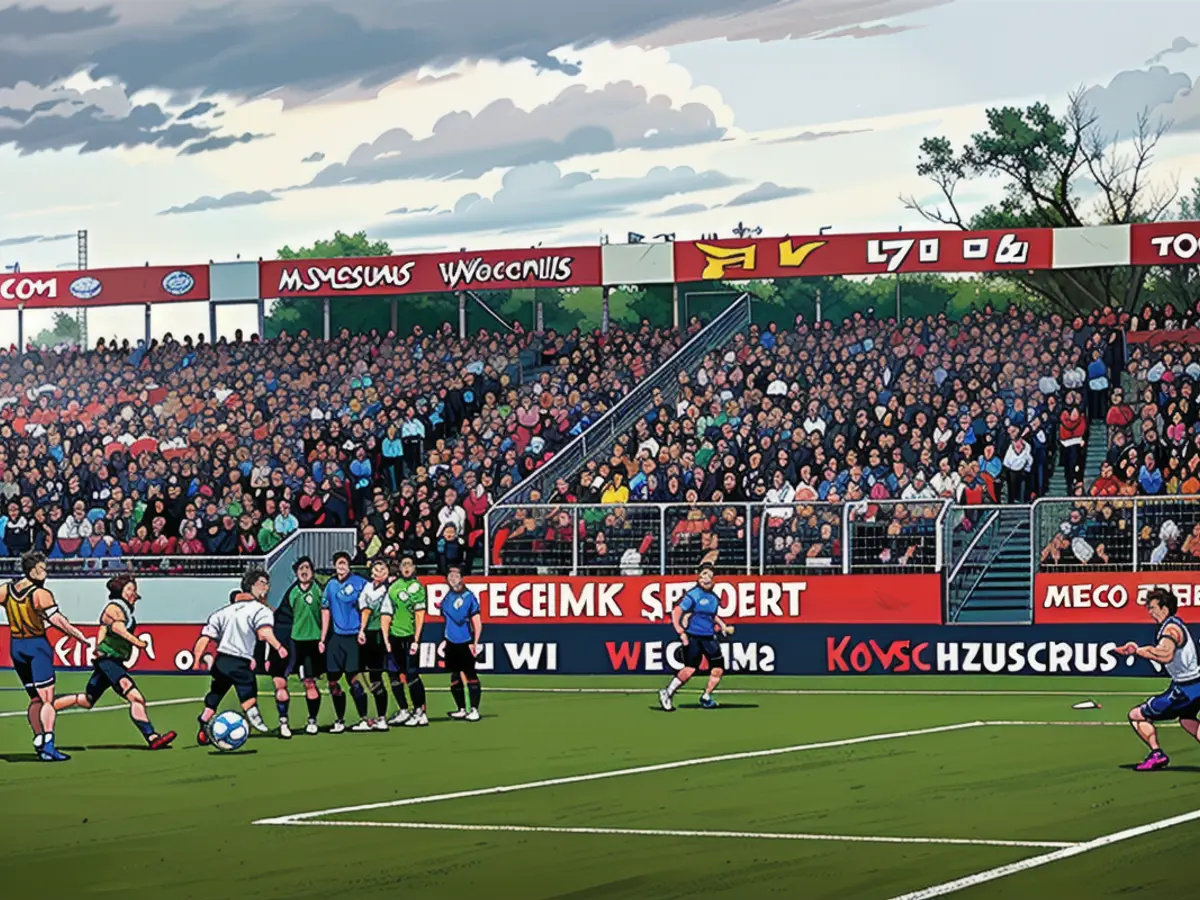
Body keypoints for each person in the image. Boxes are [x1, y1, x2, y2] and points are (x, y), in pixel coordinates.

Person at [52, 574, 176, 750]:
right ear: (121, 591)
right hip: (109, 661)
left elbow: (103, 627)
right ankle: (152, 736)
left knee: (88, 700)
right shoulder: (115, 608)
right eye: (130, 589)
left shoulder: (124, 609)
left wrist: (98, 646)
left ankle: (50, 706)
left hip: (110, 661)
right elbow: (117, 628)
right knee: (135, 697)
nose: (134, 593)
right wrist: (137, 642)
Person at [1, 551, 88, 761]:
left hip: (16, 645)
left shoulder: (6, 590)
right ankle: (48, 743)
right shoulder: (41, 594)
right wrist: (78, 635)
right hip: (36, 645)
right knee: (47, 699)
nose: (46, 573)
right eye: (42, 569)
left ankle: (38, 738)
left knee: (34, 698)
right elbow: (57, 620)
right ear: (32, 571)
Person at [191, 569, 287, 746]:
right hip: (238, 660)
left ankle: (204, 721)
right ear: (252, 586)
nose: (267, 587)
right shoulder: (260, 610)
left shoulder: (224, 612)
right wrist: (279, 647)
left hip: (221, 660)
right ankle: (254, 719)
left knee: (217, 692)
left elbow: (205, 638)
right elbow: (264, 632)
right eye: (262, 583)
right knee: (248, 687)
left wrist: (197, 659)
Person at [1116, 587, 1200, 771]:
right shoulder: (1175, 624)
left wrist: (1138, 651)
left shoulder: (1170, 628)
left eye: (1153, 607)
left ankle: (1156, 754)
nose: (1150, 612)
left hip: (1185, 689)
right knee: (1187, 720)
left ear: (1165, 608)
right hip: (1196, 684)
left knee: (1137, 715)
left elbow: (1166, 654)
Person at [658, 563, 733, 712]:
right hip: (694, 638)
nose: (707, 579)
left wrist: (723, 626)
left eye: (710, 576)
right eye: (705, 575)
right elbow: (677, 612)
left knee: (718, 669)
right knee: (690, 670)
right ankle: (667, 693)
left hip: (710, 638)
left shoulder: (713, 598)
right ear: (699, 577)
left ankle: (706, 697)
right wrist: (681, 631)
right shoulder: (693, 595)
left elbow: (712, 615)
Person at [319, 551, 372, 733]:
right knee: (332, 681)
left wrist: (363, 630)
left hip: (353, 636)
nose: (341, 566)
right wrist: (323, 638)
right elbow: (325, 610)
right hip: (336, 637)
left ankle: (364, 719)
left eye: (344, 563)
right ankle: (339, 720)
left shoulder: (360, 583)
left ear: (349, 565)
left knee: (353, 679)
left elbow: (368, 606)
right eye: (338, 563)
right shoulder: (331, 585)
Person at [382, 554, 428, 727]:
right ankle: (403, 710)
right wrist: (386, 638)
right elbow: (386, 614)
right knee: (394, 674)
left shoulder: (417, 587)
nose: (407, 567)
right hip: (395, 637)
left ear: (414, 567)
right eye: (404, 564)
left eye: (410, 564)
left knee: (412, 674)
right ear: (399, 568)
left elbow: (419, 615)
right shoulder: (393, 587)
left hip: (409, 637)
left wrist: (416, 639)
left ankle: (420, 711)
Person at [281, 556, 325, 735]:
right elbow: (283, 618)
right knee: (281, 680)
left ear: (312, 572)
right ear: (296, 573)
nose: (304, 571)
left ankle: (312, 720)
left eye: (307, 568)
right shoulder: (292, 593)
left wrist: (323, 639)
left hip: (313, 643)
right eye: (301, 569)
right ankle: (283, 721)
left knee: (310, 682)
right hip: (294, 642)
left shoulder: (319, 591)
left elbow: (326, 615)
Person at [440, 565, 482, 722]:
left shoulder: (469, 597)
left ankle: (474, 709)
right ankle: (462, 709)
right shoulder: (447, 597)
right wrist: (445, 639)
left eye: (456, 575)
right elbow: (447, 621)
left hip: (466, 641)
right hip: (451, 641)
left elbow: (476, 621)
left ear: (462, 578)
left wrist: (475, 642)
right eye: (450, 575)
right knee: (454, 676)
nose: (452, 578)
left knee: (470, 674)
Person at [357, 558, 394, 731]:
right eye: (375, 569)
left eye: (380, 570)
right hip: (365, 634)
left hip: (377, 635)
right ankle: (365, 718)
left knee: (376, 677)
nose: (376, 572)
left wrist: (385, 640)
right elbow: (363, 606)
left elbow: (375, 612)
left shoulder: (386, 591)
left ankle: (381, 718)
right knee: (359, 674)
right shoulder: (367, 587)